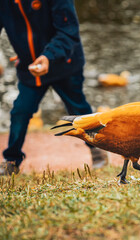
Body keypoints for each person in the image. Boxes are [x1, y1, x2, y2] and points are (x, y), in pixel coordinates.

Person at [0, 0, 108, 175]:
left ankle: (97, 148)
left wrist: (48, 56)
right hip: (31, 69)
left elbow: (68, 31)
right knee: (20, 111)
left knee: (78, 109)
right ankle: (11, 161)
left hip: (65, 64)